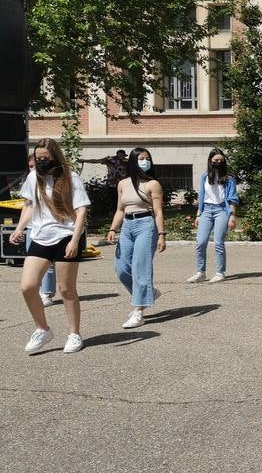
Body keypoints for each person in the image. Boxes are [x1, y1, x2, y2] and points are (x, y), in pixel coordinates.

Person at [10, 138, 90, 354]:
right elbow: (28, 205)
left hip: (66, 236)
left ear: (55, 156)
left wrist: (75, 240)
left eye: (45, 158)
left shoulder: (70, 178)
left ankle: (74, 334)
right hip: (40, 237)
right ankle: (42, 329)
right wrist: (19, 228)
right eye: (38, 158)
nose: (41, 162)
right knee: (28, 286)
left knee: (66, 290)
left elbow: (81, 210)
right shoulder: (33, 178)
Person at [106, 147, 166, 330]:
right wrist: (112, 229)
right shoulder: (123, 184)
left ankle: (139, 311)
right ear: (133, 161)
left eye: (147, 158)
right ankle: (149, 293)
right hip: (127, 226)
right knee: (122, 268)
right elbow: (120, 210)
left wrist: (162, 235)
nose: (145, 161)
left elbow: (158, 211)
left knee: (141, 268)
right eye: (141, 158)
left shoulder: (153, 184)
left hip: (146, 225)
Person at [189, 147, 239, 283]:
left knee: (218, 242)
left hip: (222, 210)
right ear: (210, 161)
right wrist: (198, 214)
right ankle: (201, 272)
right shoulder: (205, 176)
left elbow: (232, 198)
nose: (218, 162)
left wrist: (232, 216)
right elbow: (202, 196)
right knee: (200, 242)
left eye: (221, 160)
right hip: (206, 210)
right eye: (215, 160)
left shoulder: (229, 179)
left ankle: (220, 272)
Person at [24, 153, 57, 307]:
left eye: (34, 166)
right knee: (32, 261)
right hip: (32, 227)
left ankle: (47, 293)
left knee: (48, 263)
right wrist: (20, 228)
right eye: (30, 166)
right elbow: (27, 205)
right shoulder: (30, 181)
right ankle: (36, 289)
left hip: (47, 228)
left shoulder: (50, 182)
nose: (32, 169)